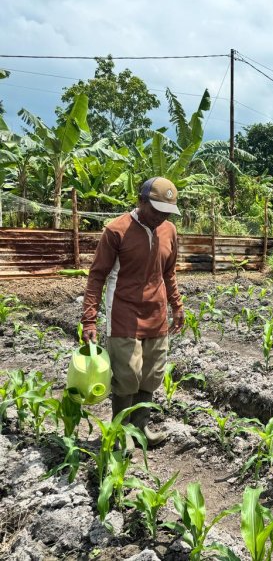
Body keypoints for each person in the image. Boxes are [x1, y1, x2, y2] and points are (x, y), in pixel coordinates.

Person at [81, 177, 185, 451]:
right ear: (141, 202)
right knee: (127, 375)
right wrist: (89, 318)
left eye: (167, 212)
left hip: (156, 312)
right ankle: (119, 433)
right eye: (157, 210)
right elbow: (97, 276)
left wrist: (177, 305)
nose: (161, 216)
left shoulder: (169, 231)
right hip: (124, 312)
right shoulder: (116, 230)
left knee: (152, 373)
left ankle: (141, 428)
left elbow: (169, 273)